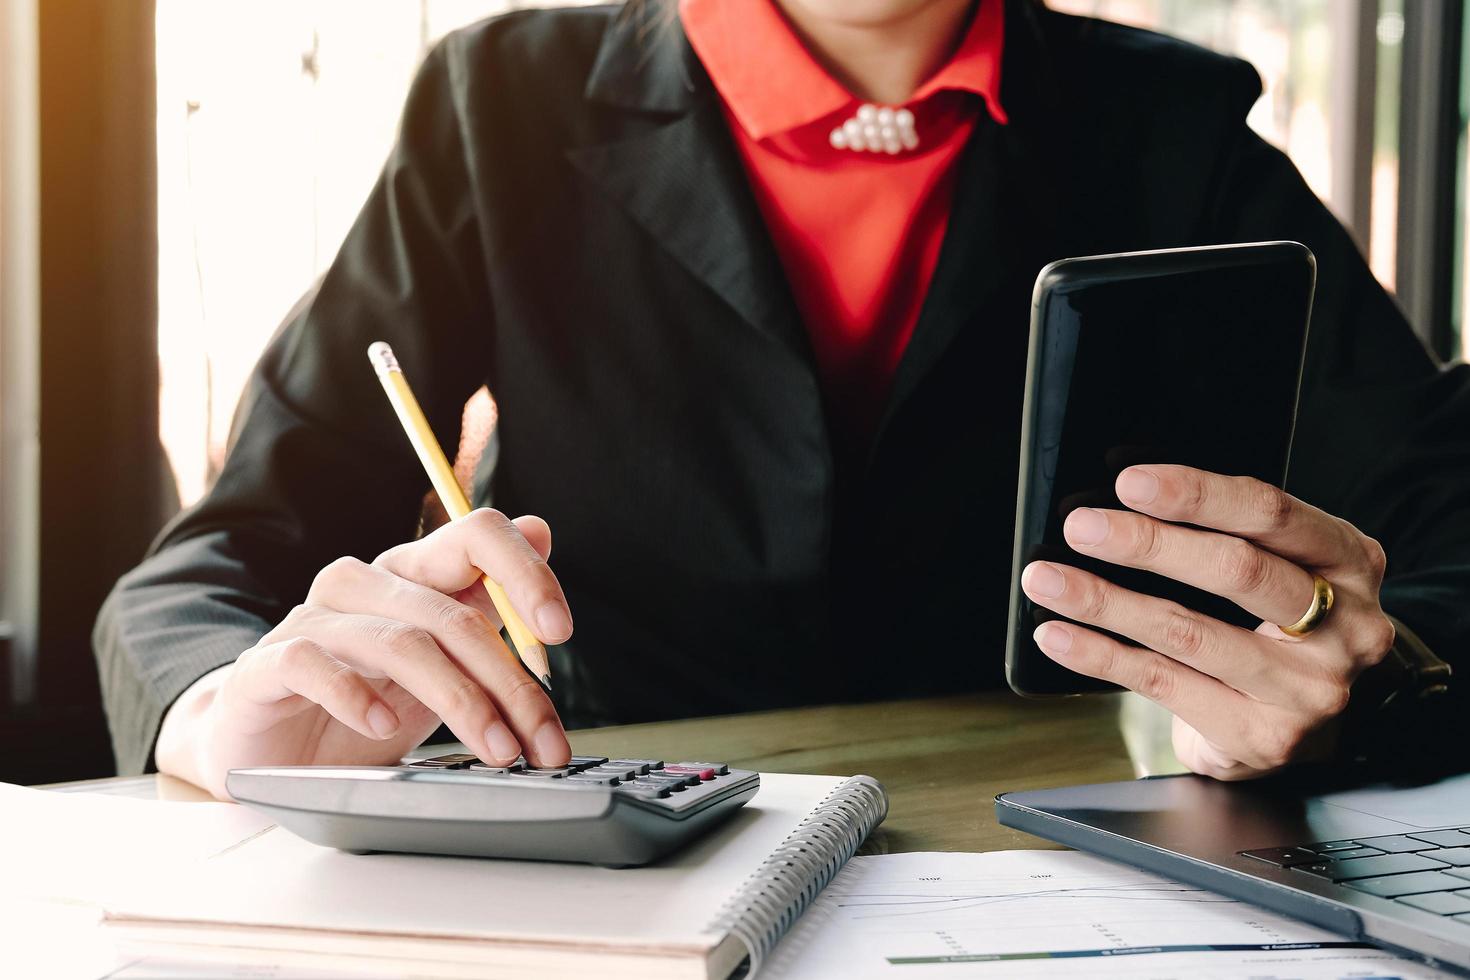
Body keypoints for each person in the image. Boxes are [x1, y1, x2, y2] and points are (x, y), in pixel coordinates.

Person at [95, 0, 1470, 800]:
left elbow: (1445, 545)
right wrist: (230, 708)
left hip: (1045, 855)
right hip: (612, 845)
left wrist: (1351, 680)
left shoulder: (1169, 125)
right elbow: (212, 568)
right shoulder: (495, 105)